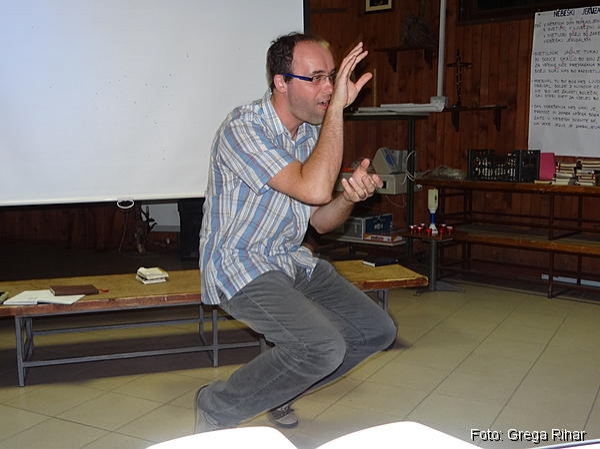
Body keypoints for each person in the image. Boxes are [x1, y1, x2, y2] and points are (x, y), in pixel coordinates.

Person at [195, 32, 397, 432]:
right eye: (316, 78)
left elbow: (320, 220)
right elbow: (314, 188)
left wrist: (349, 197)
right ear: (281, 82)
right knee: (323, 347)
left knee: (376, 331)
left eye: (332, 77)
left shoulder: (308, 135)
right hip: (238, 263)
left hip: (288, 258)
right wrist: (337, 109)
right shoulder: (243, 128)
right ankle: (217, 405)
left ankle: (277, 392)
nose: (329, 88)